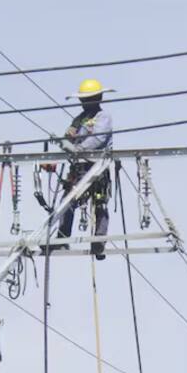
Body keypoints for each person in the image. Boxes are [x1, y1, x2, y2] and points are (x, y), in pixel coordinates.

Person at [53, 77, 113, 260]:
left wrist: (77, 149)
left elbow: (97, 139)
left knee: (100, 203)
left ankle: (98, 242)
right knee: (68, 201)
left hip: (97, 168)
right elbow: (70, 135)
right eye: (83, 99)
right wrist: (64, 141)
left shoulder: (103, 117)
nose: (84, 103)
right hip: (79, 168)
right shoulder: (79, 119)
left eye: (88, 99)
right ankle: (62, 239)